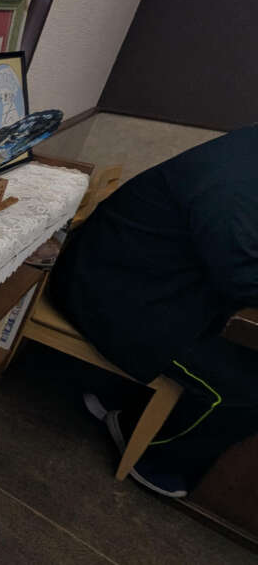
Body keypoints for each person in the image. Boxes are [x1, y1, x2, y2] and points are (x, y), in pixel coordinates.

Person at [50, 127, 258, 498]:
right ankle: (153, 456)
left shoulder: (244, 155)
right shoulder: (234, 182)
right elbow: (240, 277)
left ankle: (118, 400)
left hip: (136, 279)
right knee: (246, 389)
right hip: (113, 296)